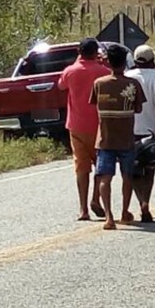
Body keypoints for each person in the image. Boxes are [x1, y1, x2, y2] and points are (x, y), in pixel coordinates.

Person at [90, 44, 146, 230]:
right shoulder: (133, 84)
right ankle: (124, 211)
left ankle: (108, 217)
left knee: (105, 178)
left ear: (108, 62)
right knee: (127, 177)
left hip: (105, 139)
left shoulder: (99, 83)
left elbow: (93, 105)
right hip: (126, 140)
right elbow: (138, 108)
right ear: (125, 63)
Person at [57, 37, 111, 221]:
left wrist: (76, 62)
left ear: (79, 52)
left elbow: (60, 85)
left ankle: (83, 209)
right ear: (96, 52)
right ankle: (96, 198)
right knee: (101, 166)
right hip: (99, 125)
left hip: (77, 125)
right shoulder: (104, 71)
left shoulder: (70, 71)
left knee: (81, 167)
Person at [124, 45, 155, 223]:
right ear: (152, 60)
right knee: (150, 169)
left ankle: (141, 200)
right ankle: (146, 203)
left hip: (131, 130)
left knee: (134, 170)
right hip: (151, 130)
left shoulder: (127, 77)